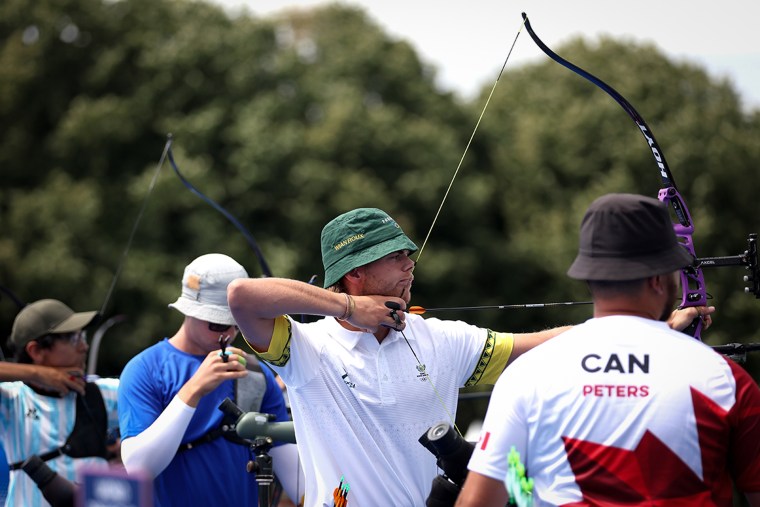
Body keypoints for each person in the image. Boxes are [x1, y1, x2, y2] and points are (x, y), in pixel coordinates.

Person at [227, 207, 574, 506]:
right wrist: (348, 307)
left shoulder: (442, 338)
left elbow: (543, 347)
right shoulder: (304, 347)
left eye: (407, 254)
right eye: (396, 257)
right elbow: (241, 296)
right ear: (355, 272)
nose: (410, 264)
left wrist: (616, 325)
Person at [456, 193, 760, 507]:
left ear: (591, 277)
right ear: (658, 279)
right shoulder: (725, 380)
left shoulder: (525, 375)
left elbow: (478, 502)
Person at [118, 253, 303, 506]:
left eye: (237, 323)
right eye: (217, 324)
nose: (228, 334)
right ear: (190, 312)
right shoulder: (145, 369)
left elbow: (297, 478)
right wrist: (194, 389)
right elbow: (139, 468)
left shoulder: (255, 373)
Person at [0, 299, 119, 507]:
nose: (84, 346)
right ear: (36, 351)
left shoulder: (101, 393)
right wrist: (38, 374)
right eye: (73, 338)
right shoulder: (13, 399)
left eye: (82, 336)